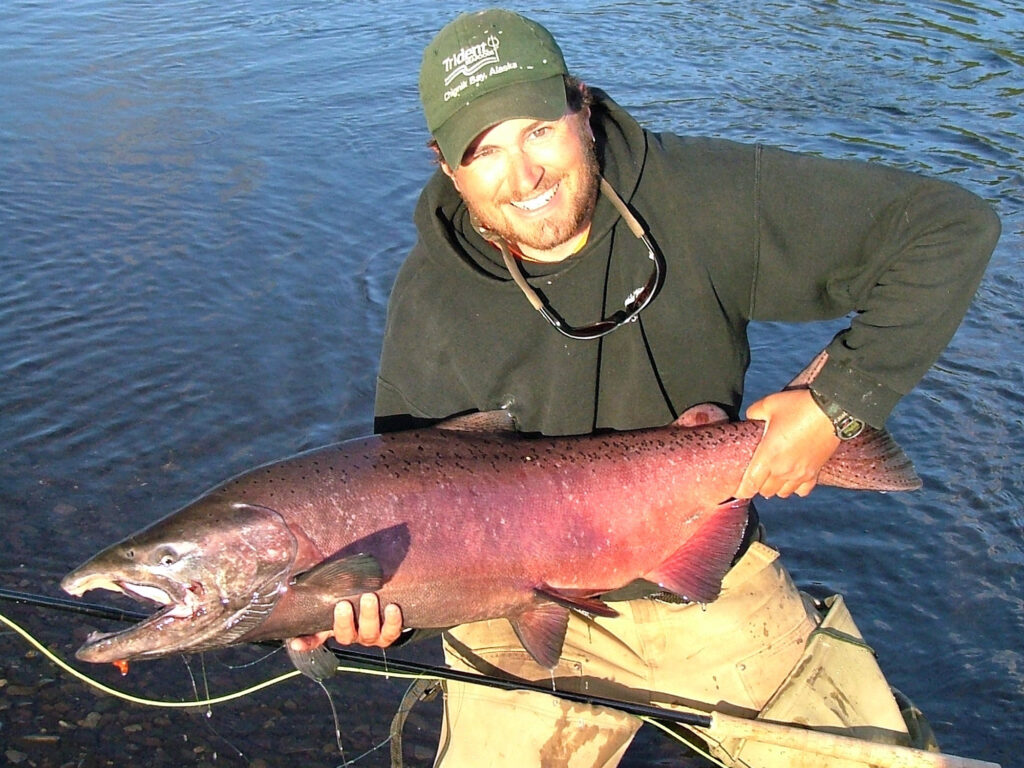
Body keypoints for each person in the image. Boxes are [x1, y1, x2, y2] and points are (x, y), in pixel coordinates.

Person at [293, 9, 1000, 767]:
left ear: (582, 109)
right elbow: (409, 516)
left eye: (538, 129)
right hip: (511, 614)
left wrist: (836, 406)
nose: (524, 175)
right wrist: (381, 616)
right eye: (485, 151)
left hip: (697, 566)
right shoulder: (431, 297)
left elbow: (948, 229)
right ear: (445, 166)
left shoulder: (701, 196)